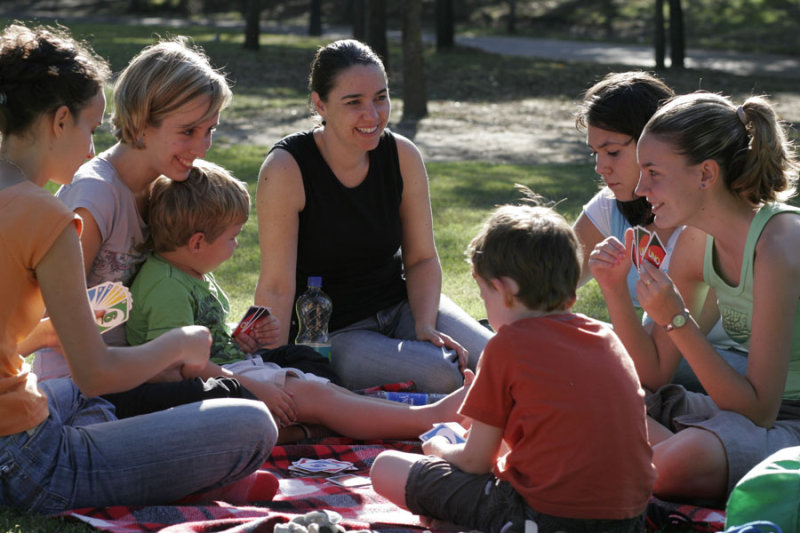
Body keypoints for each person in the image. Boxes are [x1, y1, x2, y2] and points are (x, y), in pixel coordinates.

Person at [0, 23, 275, 514]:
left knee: (85, 404)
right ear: (60, 120)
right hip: (27, 457)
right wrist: (180, 342)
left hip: (28, 412)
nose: (92, 148)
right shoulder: (53, 216)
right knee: (253, 422)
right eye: (89, 127)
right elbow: (97, 373)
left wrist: (44, 337)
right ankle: (192, 487)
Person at [127, 159, 472, 442]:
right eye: (232, 238)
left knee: (323, 388)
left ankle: (419, 414)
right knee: (316, 397)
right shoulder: (166, 286)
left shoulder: (189, 270)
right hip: (208, 387)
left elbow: (203, 346)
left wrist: (239, 343)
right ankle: (429, 420)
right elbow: (177, 366)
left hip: (229, 371)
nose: (236, 247)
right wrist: (257, 386)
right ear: (198, 242)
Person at [370, 199, 655, 532]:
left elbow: (476, 462)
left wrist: (442, 449)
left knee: (385, 468)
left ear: (502, 290)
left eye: (483, 295)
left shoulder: (507, 345)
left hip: (544, 519)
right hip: (629, 520)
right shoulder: (605, 338)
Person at [31, 36, 266, 414]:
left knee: (278, 375)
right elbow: (50, 316)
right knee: (236, 405)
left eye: (210, 130)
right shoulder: (96, 193)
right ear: (141, 122)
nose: (202, 147)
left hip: (145, 375)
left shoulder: (164, 188)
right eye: (188, 131)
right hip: (81, 392)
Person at [588, 91, 800, 504]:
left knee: (672, 464)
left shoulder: (779, 246)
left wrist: (678, 321)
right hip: (741, 417)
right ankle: (653, 454)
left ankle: (652, 457)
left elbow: (759, 410)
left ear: (705, 174)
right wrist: (613, 288)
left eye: (653, 172)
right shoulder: (693, 241)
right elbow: (651, 374)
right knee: (588, 390)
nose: (640, 186)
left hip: (783, 420)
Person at [255, 39, 492, 394]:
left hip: (403, 306)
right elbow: (276, 285)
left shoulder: (401, 155)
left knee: (499, 356)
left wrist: (425, 325)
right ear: (320, 104)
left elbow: (422, 258)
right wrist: (271, 369)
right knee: (443, 374)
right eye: (354, 102)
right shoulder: (287, 168)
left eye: (380, 97)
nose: (373, 115)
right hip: (335, 332)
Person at [573, 70, 742, 392]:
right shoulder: (611, 205)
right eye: (595, 153)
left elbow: (652, 370)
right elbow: (547, 286)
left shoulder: (705, 227)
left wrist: (614, 289)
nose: (600, 167)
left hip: (730, 370)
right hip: (672, 362)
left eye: (612, 152)